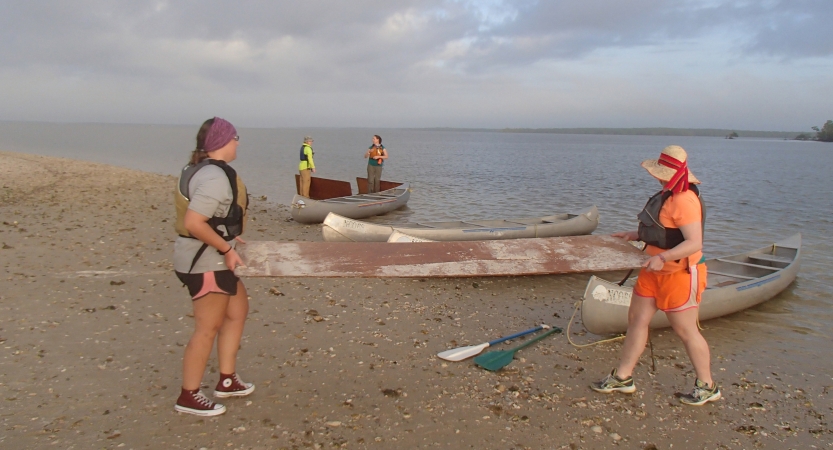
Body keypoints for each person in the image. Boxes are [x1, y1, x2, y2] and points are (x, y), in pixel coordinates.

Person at [590, 145, 720, 406]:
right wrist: (634, 234)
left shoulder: (684, 199)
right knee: (637, 320)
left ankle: (707, 386)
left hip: (680, 273)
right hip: (653, 271)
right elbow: (664, 230)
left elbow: (694, 242)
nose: (657, 177)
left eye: (661, 173)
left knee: (685, 330)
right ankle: (623, 377)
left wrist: (662, 257)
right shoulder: (668, 194)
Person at [172, 117, 254, 416]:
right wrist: (224, 248)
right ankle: (189, 395)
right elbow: (194, 223)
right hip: (205, 261)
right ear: (222, 142)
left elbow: (211, 214)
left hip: (208, 255)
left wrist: (230, 234)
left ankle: (227, 379)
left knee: (237, 311)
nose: (238, 143)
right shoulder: (214, 177)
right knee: (207, 328)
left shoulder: (199, 169)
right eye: (235, 138)